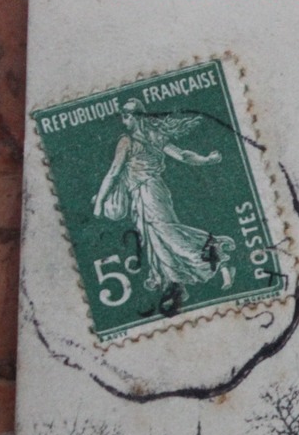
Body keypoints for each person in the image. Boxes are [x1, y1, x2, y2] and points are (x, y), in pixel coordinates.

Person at [92, 99, 236, 292]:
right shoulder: (155, 136)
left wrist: (99, 202)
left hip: (149, 193)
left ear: (135, 117)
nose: (123, 118)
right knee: (154, 238)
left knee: (168, 234)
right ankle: (175, 283)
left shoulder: (127, 141)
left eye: (126, 114)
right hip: (149, 192)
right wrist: (206, 160)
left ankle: (218, 260)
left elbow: (113, 172)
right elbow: (183, 155)